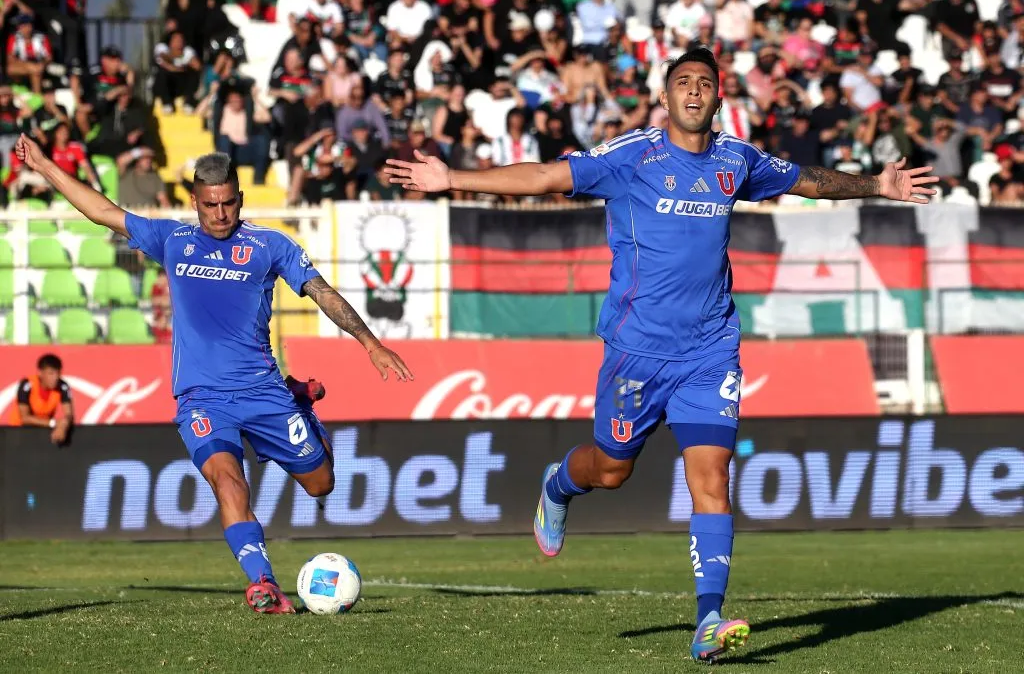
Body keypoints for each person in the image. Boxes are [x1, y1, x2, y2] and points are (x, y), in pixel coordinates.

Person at [384, 47, 937, 663]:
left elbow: (808, 181)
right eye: (683, 83)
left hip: (711, 349)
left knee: (712, 477)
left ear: (719, 96)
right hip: (636, 353)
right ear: (665, 96)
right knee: (612, 471)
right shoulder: (632, 156)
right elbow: (545, 175)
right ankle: (560, 484)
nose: (694, 92)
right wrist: (451, 177)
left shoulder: (737, 159)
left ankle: (708, 620)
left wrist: (877, 186)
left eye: (705, 83)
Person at [14, 135, 414, 614]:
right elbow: (101, 211)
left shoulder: (269, 245)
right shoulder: (172, 240)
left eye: (227, 203)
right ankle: (261, 583)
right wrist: (43, 164)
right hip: (202, 398)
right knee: (229, 481)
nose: (219, 214)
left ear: (240, 198)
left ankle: (301, 402)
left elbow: (321, 291)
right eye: (210, 205)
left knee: (322, 484)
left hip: (265, 392)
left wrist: (370, 343)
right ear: (194, 202)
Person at [7, 353, 73, 446]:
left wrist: (63, 425)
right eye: (51, 373)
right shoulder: (27, 384)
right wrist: (54, 423)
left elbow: (69, 414)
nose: (55, 378)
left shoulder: (62, 386)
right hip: (18, 432)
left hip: (43, 430)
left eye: (58, 373)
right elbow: (25, 418)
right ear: (40, 373)